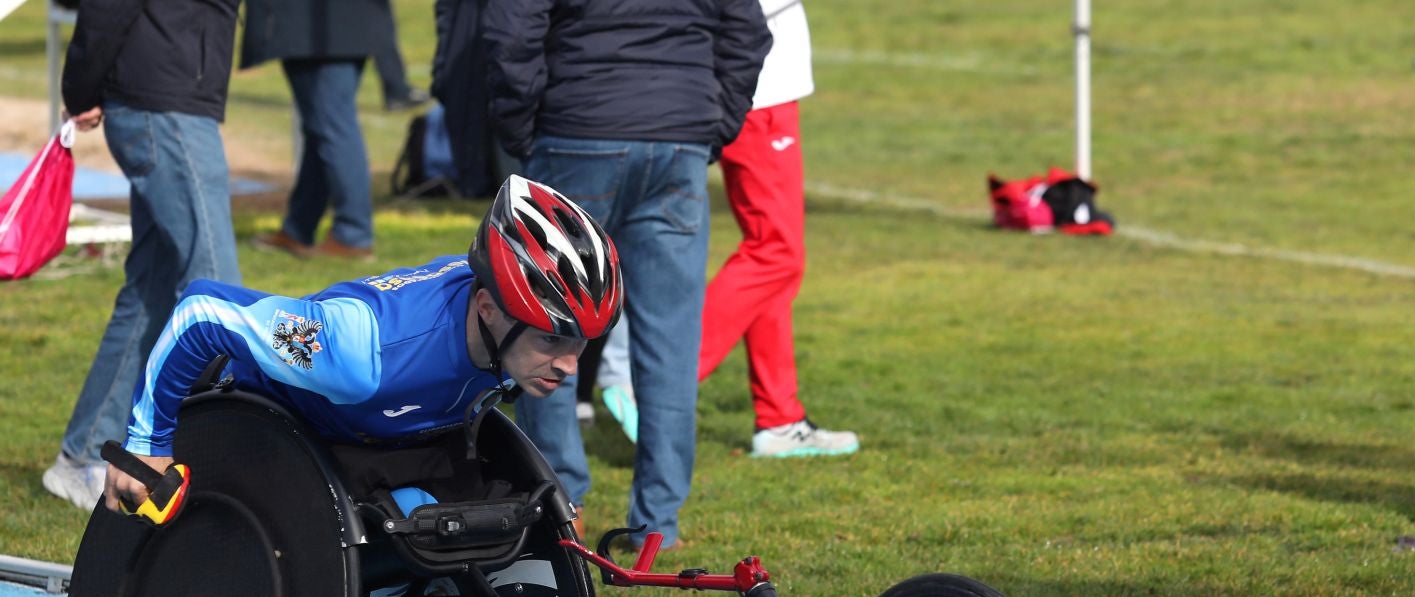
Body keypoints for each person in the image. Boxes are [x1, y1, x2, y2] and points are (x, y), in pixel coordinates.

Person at [105, 176, 622, 522]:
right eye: (552, 338)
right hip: (265, 444)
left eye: (580, 344)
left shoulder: (503, 328)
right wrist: (146, 443)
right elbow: (201, 314)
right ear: (488, 308)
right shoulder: (354, 351)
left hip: (376, 444)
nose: (570, 366)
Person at [481, 0, 770, 546]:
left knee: (546, 324)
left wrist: (522, 129)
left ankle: (562, 502)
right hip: (675, 138)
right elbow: (749, 33)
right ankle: (657, 524)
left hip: (579, 129)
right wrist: (708, 123)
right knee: (671, 340)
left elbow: (509, 30)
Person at [597, 1, 857, 459]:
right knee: (777, 253)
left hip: (748, 80)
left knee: (770, 255)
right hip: (757, 84)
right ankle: (656, 381)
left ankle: (780, 417)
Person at [40, 0, 242, 511]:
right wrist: (82, 86)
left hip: (168, 99)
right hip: (164, 106)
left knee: (152, 293)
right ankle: (236, 465)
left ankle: (81, 457)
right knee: (218, 292)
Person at [245, 0, 382, 262]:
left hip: (317, 29)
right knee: (321, 127)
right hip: (343, 24)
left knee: (333, 128)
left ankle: (352, 234)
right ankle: (299, 226)